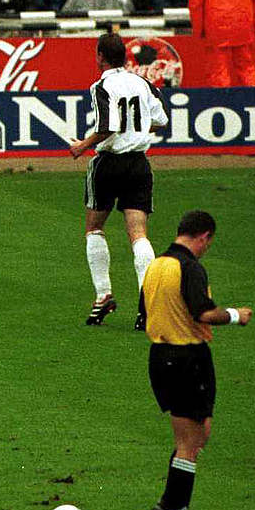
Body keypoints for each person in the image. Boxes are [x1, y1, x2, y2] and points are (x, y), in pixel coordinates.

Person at [139, 210, 251, 510]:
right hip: (188, 358)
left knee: (198, 434)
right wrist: (235, 315)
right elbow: (203, 312)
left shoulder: (156, 266)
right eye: (208, 243)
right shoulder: (190, 268)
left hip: (159, 357)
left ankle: (169, 503)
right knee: (190, 442)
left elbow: (144, 311)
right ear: (203, 236)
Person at [68, 33, 166, 329]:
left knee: (94, 228)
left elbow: (108, 125)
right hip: (138, 163)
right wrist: (136, 133)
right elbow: (159, 118)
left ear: (100, 56)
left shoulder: (101, 86)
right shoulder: (143, 83)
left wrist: (82, 145)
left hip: (109, 164)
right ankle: (147, 301)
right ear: (125, 57)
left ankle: (103, 295)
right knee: (138, 235)